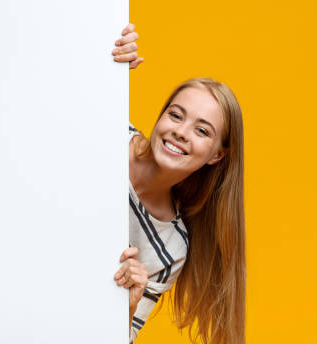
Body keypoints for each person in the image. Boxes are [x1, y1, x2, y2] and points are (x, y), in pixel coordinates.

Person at [111, 24, 246, 344]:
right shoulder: (108, 129)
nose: (182, 132)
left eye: (202, 131)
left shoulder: (170, 248)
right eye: (176, 115)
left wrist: (126, 307)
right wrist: (101, 59)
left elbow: (118, 338)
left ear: (217, 156)